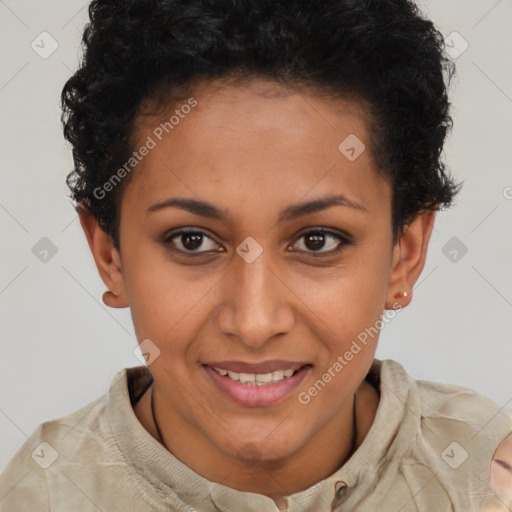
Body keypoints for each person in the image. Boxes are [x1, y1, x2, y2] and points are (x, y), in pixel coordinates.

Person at [1, 0, 511, 510]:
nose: (254, 322)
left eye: (318, 240)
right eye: (192, 240)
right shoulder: (42, 495)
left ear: (405, 253)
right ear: (109, 254)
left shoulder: (484, 479)